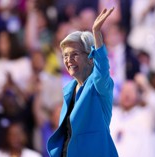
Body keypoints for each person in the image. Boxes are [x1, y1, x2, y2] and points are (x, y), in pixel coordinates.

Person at [47, 7, 118, 157]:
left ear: (90, 58)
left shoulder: (98, 86)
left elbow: (102, 71)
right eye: (65, 56)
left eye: (74, 54)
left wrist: (97, 34)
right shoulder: (69, 90)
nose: (68, 60)